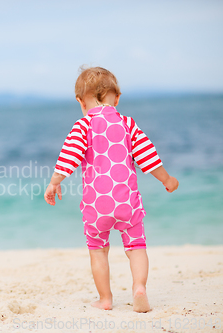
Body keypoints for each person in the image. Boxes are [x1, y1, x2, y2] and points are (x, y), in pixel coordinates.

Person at [44, 66, 179, 312]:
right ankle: (139, 287)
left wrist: (55, 182)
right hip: (127, 201)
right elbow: (147, 157)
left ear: (80, 102)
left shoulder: (83, 126)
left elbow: (68, 158)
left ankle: (105, 299)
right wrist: (166, 179)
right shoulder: (128, 124)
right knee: (136, 247)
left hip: (97, 205)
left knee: (98, 252)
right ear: (117, 98)